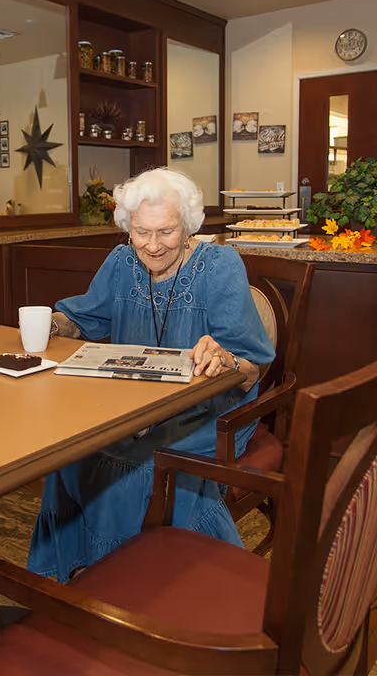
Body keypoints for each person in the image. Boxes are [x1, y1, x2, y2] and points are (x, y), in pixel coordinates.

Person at [28, 168, 275, 583]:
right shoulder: (121, 261)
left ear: (188, 225)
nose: (154, 245)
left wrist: (225, 358)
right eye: (142, 232)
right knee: (69, 451)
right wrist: (48, 326)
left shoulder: (219, 265)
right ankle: (79, 573)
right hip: (133, 405)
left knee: (138, 464)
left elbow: (250, 369)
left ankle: (141, 582)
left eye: (166, 232)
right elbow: (81, 319)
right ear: (128, 228)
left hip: (206, 409)